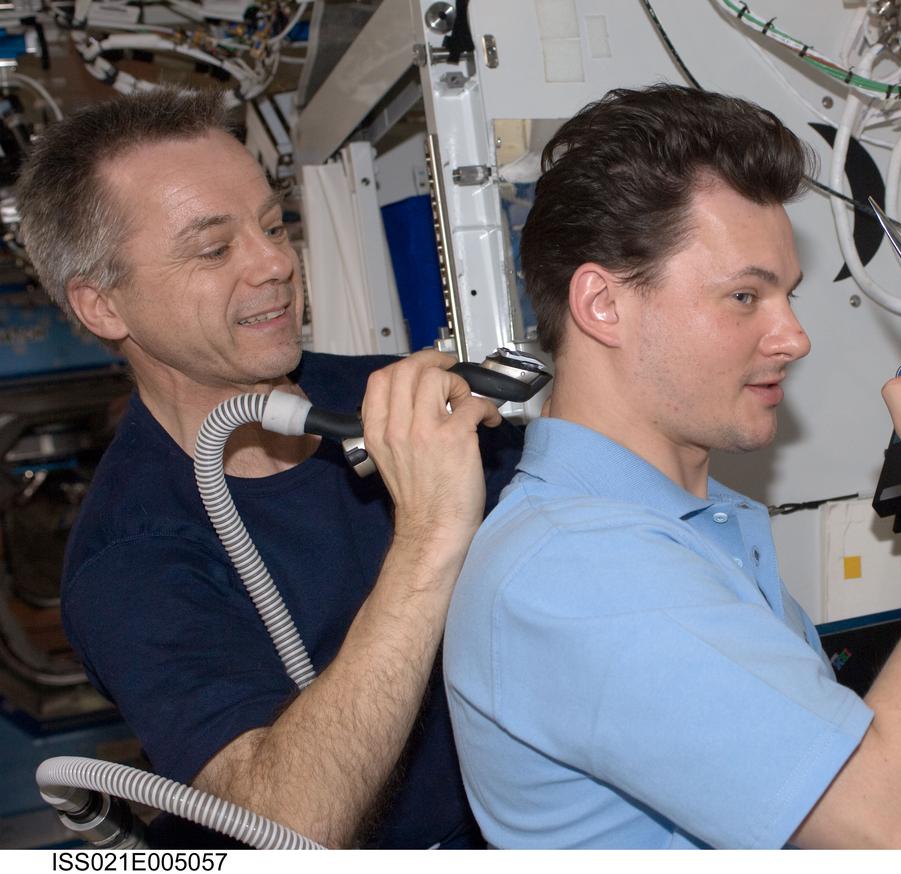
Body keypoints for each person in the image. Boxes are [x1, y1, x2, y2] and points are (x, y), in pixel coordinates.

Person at [444, 84, 901, 849]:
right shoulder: (579, 569)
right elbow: (899, 836)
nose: (794, 338)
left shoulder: (677, 527)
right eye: (744, 296)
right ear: (603, 305)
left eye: (787, 297)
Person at [15, 88, 523, 848]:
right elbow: (287, 828)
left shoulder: (392, 394)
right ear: (103, 307)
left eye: (273, 223)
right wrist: (430, 535)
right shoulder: (131, 562)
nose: (276, 262)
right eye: (215, 249)